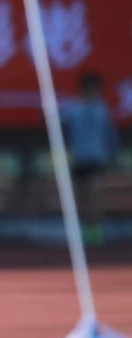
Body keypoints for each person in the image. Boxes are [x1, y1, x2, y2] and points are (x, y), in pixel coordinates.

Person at [60, 71, 120, 246]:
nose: (92, 93)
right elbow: (55, 120)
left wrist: (112, 155)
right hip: (79, 158)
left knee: (94, 194)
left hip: (97, 158)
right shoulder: (73, 109)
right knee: (82, 197)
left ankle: (96, 231)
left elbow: (110, 134)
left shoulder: (103, 110)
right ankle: (84, 229)